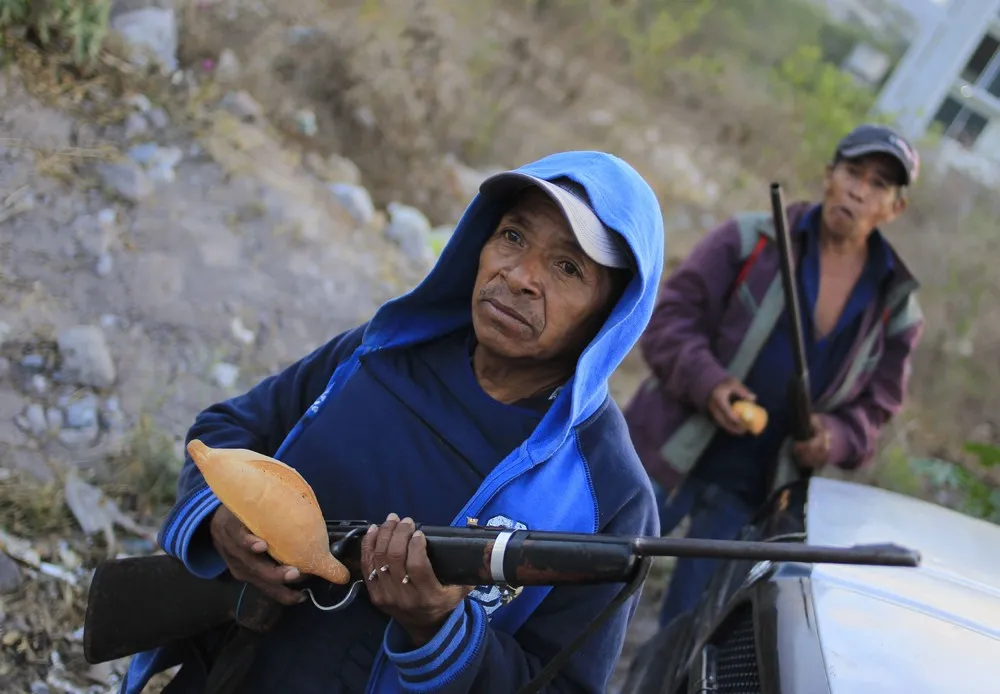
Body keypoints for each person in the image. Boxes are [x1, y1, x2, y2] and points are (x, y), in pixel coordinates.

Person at [120, 150, 666, 694]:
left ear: (612, 312)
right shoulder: (379, 351)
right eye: (513, 236)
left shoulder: (609, 495)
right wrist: (219, 519)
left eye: (568, 267)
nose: (520, 275)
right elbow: (226, 430)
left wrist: (442, 631)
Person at [623, 124, 925, 628]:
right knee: (593, 572)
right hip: (664, 453)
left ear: (895, 208)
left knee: (687, 632)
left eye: (878, 184)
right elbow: (668, 320)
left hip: (754, 496)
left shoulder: (895, 307)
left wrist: (833, 439)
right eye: (852, 172)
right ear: (829, 176)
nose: (858, 190)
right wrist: (709, 383)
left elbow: (875, 412)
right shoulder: (751, 240)